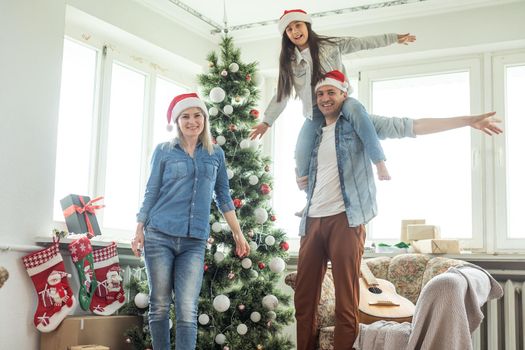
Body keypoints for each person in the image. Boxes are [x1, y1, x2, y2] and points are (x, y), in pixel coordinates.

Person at [293, 72, 502, 350]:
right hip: (311, 221)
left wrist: (467, 121)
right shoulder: (314, 131)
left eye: (331, 92)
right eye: (320, 94)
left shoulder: (358, 123)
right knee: (303, 302)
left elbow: (410, 125)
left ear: (345, 94)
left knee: (347, 303)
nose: (325, 99)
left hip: (347, 220)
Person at [131, 93, 250, 350]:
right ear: (177, 120)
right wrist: (139, 228)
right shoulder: (163, 151)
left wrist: (238, 233)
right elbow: (151, 191)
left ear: (205, 119)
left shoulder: (215, 154)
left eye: (197, 115)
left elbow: (223, 196)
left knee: (187, 309)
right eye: (185, 116)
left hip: (194, 240)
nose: (192, 121)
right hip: (159, 235)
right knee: (160, 304)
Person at [249, 8, 415, 180]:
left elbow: (361, 43)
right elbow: (282, 94)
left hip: (341, 101)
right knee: (301, 150)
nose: (294, 31)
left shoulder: (330, 46)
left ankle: (380, 163)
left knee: (359, 114)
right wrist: (267, 122)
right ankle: (310, 200)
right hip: (315, 110)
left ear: (306, 25)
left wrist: (393, 38)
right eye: (289, 29)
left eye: (297, 25)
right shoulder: (289, 62)